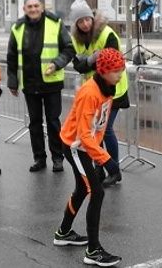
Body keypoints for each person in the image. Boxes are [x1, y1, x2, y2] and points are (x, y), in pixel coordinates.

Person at [54, 48, 125, 267]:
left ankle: (63, 232)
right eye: (115, 71)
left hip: (88, 146)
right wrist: (106, 160)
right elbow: (84, 134)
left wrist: (100, 149)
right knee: (97, 191)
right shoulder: (89, 92)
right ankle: (93, 250)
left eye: (122, 69)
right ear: (103, 71)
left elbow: (99, 126)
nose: (120, 74)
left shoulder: (108, 87)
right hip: (75, 146)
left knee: (84, 189)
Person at [6, 0, 76, 173]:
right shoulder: (17, 27)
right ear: (24, 8)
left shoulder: (55, 23)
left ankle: (57, 158)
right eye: (29, 6)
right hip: (29, 83)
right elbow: (12, 56)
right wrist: (13, 81)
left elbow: (69, 49)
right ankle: (39, 158)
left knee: (53, 122)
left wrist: (56, 64)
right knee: (35, 123)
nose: (33, 9)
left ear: (42, 6)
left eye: (36, 5)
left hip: (51, 83)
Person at [68, 0, 128, 187]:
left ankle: (114, 169)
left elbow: (112, 62)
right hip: (94, 92)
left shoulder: (107, 34)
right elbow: (78, 66)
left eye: (87, 19)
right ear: (76, 24)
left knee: (105, 129)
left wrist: (90, 61)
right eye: (80, 21)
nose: (85, 24)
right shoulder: (77, 39)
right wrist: (93, 59)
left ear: (92, 18)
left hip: (113, 90)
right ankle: (99, 168)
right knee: (95, 132)